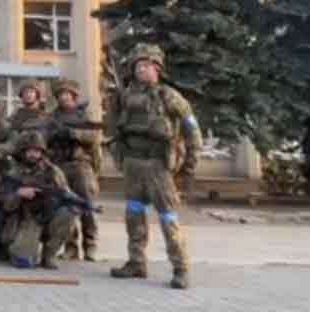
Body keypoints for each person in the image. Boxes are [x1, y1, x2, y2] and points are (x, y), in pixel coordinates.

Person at [109, 44, 202, 289]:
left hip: (158, 165)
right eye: (138, 66)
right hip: (133, 165)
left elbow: (192, 129)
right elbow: (114, 130)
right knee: (133, 214)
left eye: (147, 65)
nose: (142, 70)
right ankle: (136, 262)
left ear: (157, 69)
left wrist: (190, 165)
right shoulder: (125, 96)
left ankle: (181, 268)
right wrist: (118, 155)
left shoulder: (168, 96)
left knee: (168, 218)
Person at [1, 131, 73, 269]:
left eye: (37, 151)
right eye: (30, 151)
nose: (33, 154)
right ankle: (17, 248)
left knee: (68, 213)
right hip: (25, 220)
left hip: (48, 215)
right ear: (22, 152)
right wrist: (18, 193)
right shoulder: (13, 172)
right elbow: (3, 201)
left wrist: (73, 202)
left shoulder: (53, 171)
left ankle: (49, 255)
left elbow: (65, 192)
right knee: (24, 262)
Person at [49, 79, 101, 261]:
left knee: (87, 204)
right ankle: (71, 246)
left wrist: (73, 133)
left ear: (73, 96)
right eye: (60, 95)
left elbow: (95, 137)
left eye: (67, 94)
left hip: (80, 165)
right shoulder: (53, 117)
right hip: (60, 166)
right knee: (66, 206)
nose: (64, 97)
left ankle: (90, 245)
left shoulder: (84, 116)